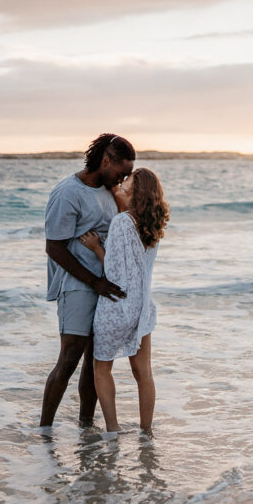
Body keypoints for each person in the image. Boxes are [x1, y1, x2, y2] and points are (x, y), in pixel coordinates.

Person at [40, 133, 135, 427]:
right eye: (122, 172)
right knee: (69, 359)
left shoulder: (109, 191)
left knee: (96, 364)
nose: (122, 180)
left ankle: (86, 429)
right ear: (106, 161)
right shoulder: (68, 192)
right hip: (77, 284)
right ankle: (44, 431)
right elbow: (53, 247)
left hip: (104, 284)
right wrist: (94, 282)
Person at [77, 168, 169, 433]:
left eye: (129, 179)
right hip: (142, 308)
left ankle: (113, 429)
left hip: (117, 307)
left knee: (102, 367)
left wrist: (96, 248)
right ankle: (146, 431)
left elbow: (114, 274)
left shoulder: (121, 223)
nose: (123, 180)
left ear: (135, 189)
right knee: (144, 375)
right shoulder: (154, 224)